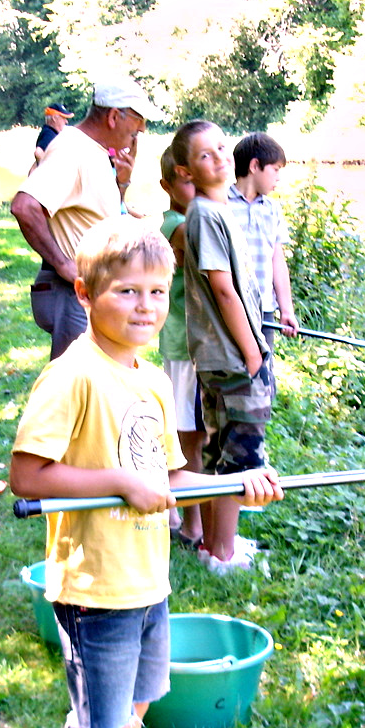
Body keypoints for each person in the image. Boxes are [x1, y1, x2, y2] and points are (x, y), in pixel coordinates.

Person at [9, 215, 282, 728]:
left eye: (157, 293)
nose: (144, 307)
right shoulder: (74, 375)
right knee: (99, 724)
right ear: (85, 289)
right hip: (94, 584)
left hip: (146, 577)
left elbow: (172, 476)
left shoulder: (153, 378)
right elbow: (28, 476)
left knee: (130, 711)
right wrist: (121, 483)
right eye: (127, 292)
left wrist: (239, 485)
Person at [172, 120, 272, 574]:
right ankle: (225, 557)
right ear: (186, 171)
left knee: (215, 454)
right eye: (204, 155)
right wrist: (253, 352)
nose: (216, 158)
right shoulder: (206, 214)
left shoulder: (213, 209)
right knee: (239, 459)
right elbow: (223, 287)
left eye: (219, 149)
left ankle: (214, 545)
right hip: (231, 357)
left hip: (218, 356)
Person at [10, 78, 164, 361]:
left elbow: (95, 214)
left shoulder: (94, 151)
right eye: (138, 121)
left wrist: (122, 184)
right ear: (114, 116)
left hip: (92, 293)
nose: (141, 129)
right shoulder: (72, 150)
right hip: (73, 294)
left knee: (97, 390)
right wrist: (64, 264)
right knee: (73, 392)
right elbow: (25, 206)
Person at [156, 148, 204, 549]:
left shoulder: (191, 219)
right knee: (185, 435)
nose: (196, 188)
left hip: (194, 344)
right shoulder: (180, 225)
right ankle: (188, 522)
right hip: (182, 343)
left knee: (193, 434)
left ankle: (183, 514)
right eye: (187, 181)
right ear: (167, 186)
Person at [230, 133, 298, 354]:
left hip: (264, 309)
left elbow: (277, 260)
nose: (278, 178)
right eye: (275, 169)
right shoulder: (221, 205)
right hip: (231, 308)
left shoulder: (273, 209)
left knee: (264, 378)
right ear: (254, 166)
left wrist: (286, 308)